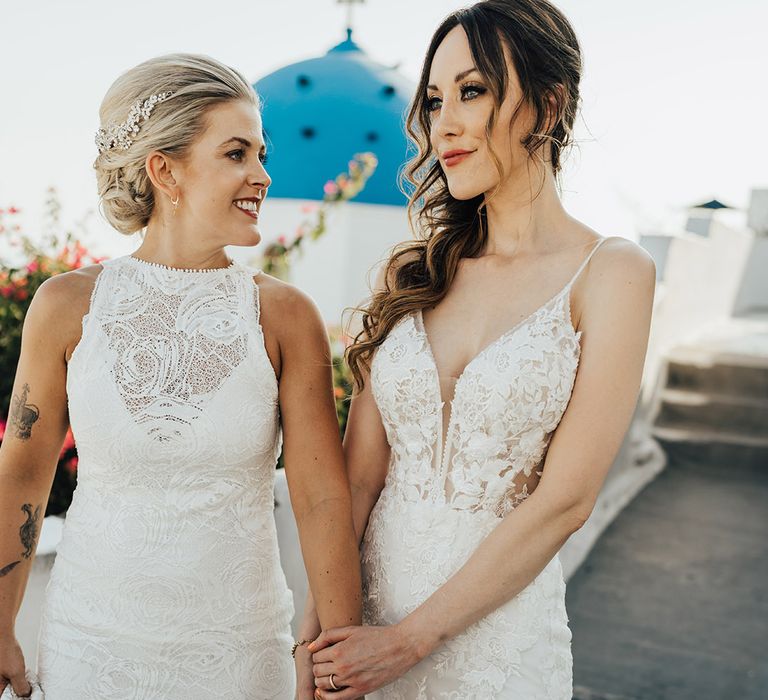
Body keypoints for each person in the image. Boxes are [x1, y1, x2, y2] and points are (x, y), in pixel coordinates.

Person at [306, 1, 656, 698]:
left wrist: (407, 643)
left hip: (494, 651)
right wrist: (316, 642)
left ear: (548, 107)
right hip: (361, 639)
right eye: (435, 100)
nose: (445, 124)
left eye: (474, 91)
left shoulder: (612, 272)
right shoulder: (410, 273)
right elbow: (358, 485)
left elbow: (566, 499)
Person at [0, 53, 361, 700]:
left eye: (260, 153)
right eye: (236, 154)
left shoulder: (283, 316)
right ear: (164, 170)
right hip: (91, 649)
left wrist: (337, 656)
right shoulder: (66, 306)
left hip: (241, 656)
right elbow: (23, 470)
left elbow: (321, 498)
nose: (263, 175)